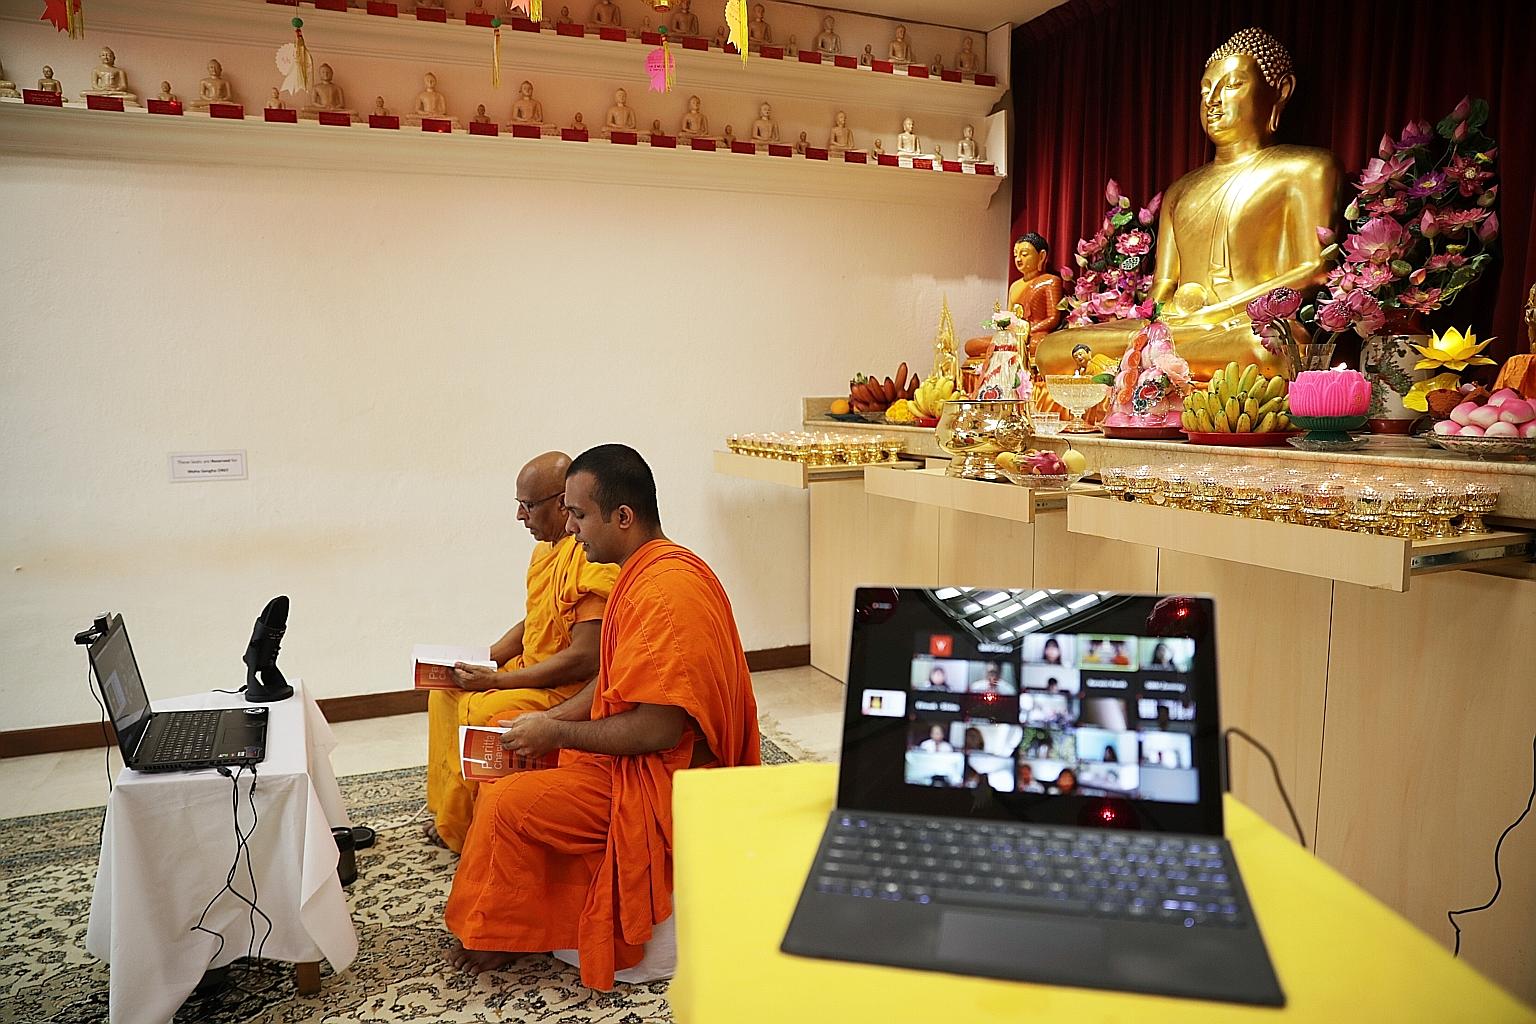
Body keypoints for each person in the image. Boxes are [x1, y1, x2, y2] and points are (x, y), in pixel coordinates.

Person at [443, 445, 760, 986]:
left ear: (623, 517)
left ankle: (500, 932)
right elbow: (609, 685)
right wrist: (547, 729)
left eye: (579, 514)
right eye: (566, 512)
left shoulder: (665, 592)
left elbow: (659, 729)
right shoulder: (644, 571)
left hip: (673, 775)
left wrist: (558, 730)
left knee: (505, 802)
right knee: (524, 763)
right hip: (643, 760)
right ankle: (516, 917)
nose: (570, 527)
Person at [424, 452, 619, 852]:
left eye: (527, 506)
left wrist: (498, 680)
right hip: (533, 668)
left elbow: (585, 657)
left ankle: (474, 831)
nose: (519, 516)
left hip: (567, 685)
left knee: (479, 711)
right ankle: (450, 816)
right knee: (445, 692)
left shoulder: (590, 561)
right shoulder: (545, 551)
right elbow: (534, 621)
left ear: (560, 503)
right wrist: (483, 658)